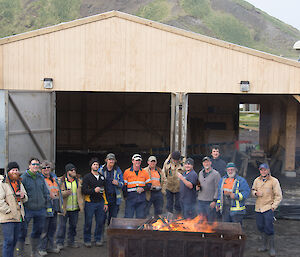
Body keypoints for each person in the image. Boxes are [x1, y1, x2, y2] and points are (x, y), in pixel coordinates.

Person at [17, 158, 50, 257]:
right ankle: (20, 252)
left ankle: (34, 251)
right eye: (33, 164)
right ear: (29, 165)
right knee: (22, 231)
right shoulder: (24, 178)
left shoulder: (40, 177)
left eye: (37, 164)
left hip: (40, 210)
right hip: (27, 209)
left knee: (38, 231)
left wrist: (46, 206)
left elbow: (46, 193)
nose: (35, 166)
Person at [252, 163, 282, 257]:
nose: (263, 171)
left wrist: (274, 206)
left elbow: (279, 196)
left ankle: (272, 248)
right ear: (260, 171)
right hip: (258, 208)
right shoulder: (257, 180)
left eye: (265, 170)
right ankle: (264, 246)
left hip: (268, 208)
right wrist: (256, 193)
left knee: (269, 227)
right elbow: (252, 190)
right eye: (261, 170)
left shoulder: (274, 181)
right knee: (260, 226)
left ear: (268, 170)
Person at [0, 162, 28, 257]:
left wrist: (23, 196)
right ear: (8, 171)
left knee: (15, 240)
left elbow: (26, 197)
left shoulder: (19, 183)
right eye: (13, 170)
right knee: (9, 240)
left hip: (18, 216)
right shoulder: (2, 183)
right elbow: (0, 200)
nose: (15, 172)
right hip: (7, 217)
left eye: (16, 170)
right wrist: (8, 210)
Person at [56, 163, 84, 250]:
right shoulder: (61, 181)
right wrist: (65, 193)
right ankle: (59, 242)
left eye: (74, 170)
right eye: (72, 170)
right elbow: (57, 193)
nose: (74, 171)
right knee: (62, 226)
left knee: (73, 226)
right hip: (64, 208)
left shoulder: (78, 181)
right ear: (68, 172)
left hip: (75, 208)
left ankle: (71, 241)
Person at [82, 158, 108, 247]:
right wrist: (94, 190)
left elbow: (104, 191)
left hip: (100, 202)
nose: (96, 166)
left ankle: (97, 239)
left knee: (100, 222)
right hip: (90, 202)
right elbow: (84, 190)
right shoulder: (87, 177)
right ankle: (87, 240)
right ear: (91, 166)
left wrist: (105, 203)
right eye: (94, 164)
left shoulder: (102, 177)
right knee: (88, 222)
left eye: (97, 164)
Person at [39, 161, 63, 256]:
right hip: (45, 207)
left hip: (55, 206)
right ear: (41, 169)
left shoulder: (54, 177)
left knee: (52, 229)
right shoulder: (40, 179)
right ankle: (41, 248)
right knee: (44, 230)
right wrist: (49, 196)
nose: (46, 169)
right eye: (44, 168)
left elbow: (59, 191)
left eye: (48, 167)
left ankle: (51, 247)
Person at [123, 154, 151, 219]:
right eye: (136, 160)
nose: (138, 162)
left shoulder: (144, 172)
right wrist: (125, 197)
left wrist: (143, 189)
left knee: (140, 218)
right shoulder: (127, 172)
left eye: (139, 161)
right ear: (132, 161)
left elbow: (149, 185)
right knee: (128, 218)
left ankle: (139, 229)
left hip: (141, 199)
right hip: (130, 198)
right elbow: (124, 186)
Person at [99, 153, 124, 226]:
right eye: (109, 159)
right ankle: (101, 235)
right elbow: (97, 183)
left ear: (115, 161)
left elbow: (122, 184)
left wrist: (118, 183)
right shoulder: (101, 170)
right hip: (103, 198)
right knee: (102, 218)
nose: (111, 161)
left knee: (113, 219)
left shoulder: (118, 170)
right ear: (106, 160)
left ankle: (111, 234)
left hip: (114, 198)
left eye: (113, 159)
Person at [197, 156, 221, 222]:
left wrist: (214, 201)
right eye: (204, 162)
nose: (206, 164)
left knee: (210, 221)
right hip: (200, 200)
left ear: (210, 163)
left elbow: (218, 188)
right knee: (201, 220)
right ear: (203, 164)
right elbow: (198, 183)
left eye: (207, 162)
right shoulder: (200, 173)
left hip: (210, 202)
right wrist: (197, 187)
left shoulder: (216, 174)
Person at [162, 151, 185, 215]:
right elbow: (163, 175)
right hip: (169, 187)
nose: (175, 161)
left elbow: (187, 175)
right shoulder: (167, 163)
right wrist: (164, 187)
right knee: (169, 204)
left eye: (176, 160)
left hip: (179, 188)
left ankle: (178, 217)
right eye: (174, 160)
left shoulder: (183, 163)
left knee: (178, 204)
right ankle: (169, 217)